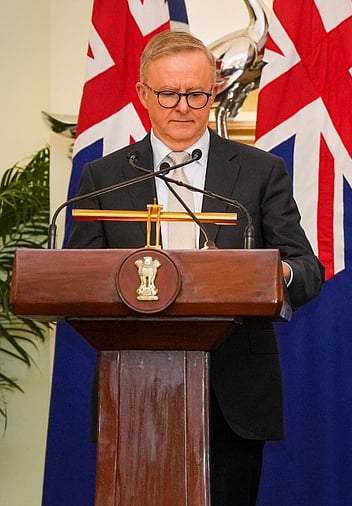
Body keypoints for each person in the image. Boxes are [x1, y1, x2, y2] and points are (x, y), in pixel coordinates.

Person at [66, 30, 325, 505]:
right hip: (133, 391)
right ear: (143, 94)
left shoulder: (260, 171)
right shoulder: (102, 177)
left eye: (196, 94)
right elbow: (78, 280)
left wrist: (269, 276)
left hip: (233, 394)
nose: (182, 107)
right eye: (168, 93)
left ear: (215, 92)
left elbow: (306, 270)